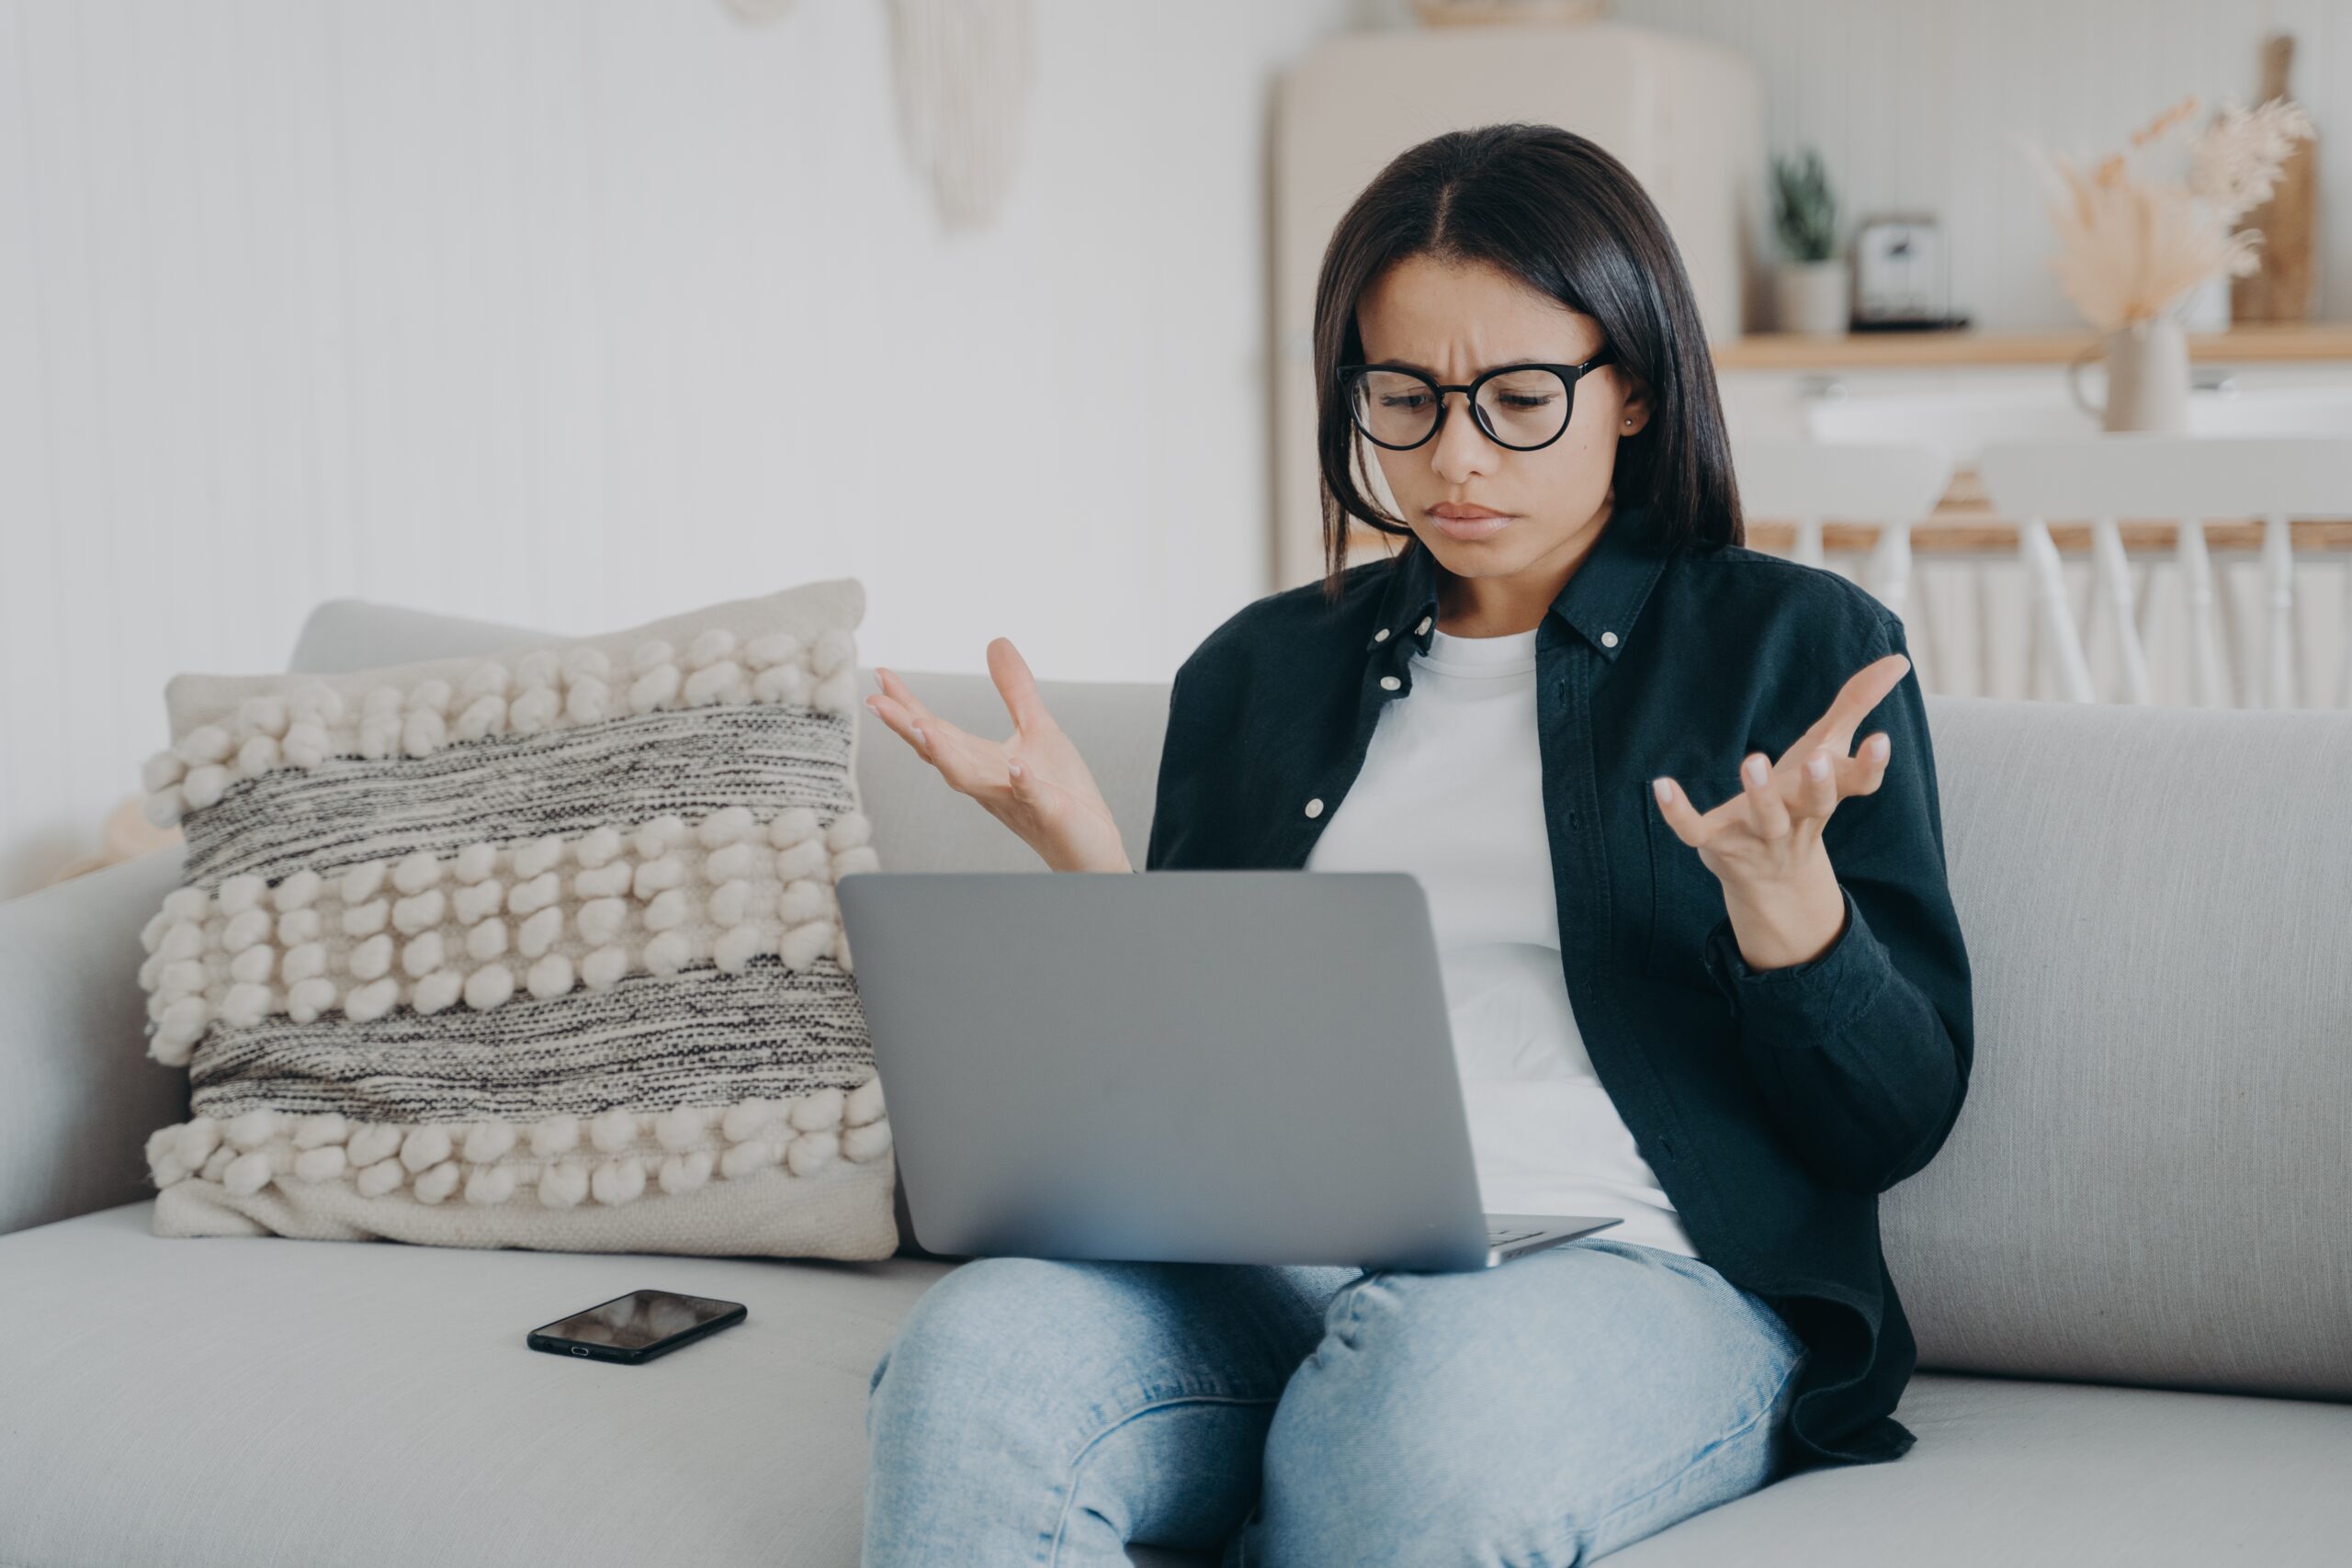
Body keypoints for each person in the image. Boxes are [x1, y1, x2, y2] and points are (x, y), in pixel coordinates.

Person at [854, 122, 1973, 1567]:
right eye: (1404, 397)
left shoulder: (1796, 651)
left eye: (1518, 399)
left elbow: (1896, 1122)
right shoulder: (1259, 671)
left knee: (1405, 1421)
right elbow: (1203, 1085)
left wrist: (1788, 911)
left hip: (1641, 1274)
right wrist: (1089, 866)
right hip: (1276, 1262)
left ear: (1632, 387)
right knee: (975, 1363)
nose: (1453, 459)